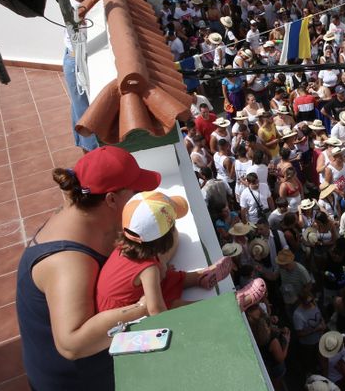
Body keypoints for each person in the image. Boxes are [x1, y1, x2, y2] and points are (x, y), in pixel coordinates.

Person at [17, 147, 159, 389]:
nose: (141, 196)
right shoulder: (67, 263)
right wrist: (143, 307)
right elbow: (72, 344)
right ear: (111, 200)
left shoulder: (86, 215)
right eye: (135, 192)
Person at [95, 191, 242, 314]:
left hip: (125, 297)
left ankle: (200, 277)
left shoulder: (127, 246)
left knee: (167, 278)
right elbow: (156, 311)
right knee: (170, 303)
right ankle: (218, 307)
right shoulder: (149, 269)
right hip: (121, 312)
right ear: (166, 237)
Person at [63, 0, 101, 152]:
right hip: (76, 63)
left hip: (72, 58)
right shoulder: (78, 11)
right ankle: (92, 150)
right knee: (85, 112)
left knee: (80, 108)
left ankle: (87, 146)